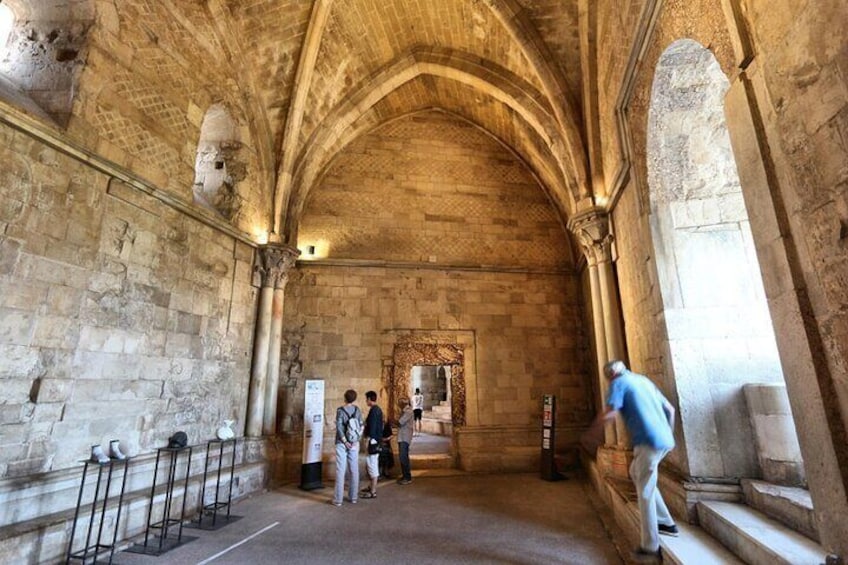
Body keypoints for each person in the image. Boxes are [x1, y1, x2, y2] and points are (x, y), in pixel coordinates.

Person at [582, 360, 678, 561]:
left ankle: (650, 546)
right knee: (637, 472)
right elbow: (670, 409)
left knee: (644, 490)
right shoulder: (641, 380)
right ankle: (665, 521)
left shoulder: (619, 383)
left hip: (648, 441)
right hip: (665, 439)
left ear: (611, 375)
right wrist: (667, 434)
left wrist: (592, 433)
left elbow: (611, 412)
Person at [332, 389, 362, 506]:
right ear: (354, 398)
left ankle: (338, 499)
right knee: (354, 469)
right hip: (354, 442)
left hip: (342, 443)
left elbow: (339, 427)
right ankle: (353, 497)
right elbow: (361, 426)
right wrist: (356, 440)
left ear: (345, 397)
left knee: (340, 470)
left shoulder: (340, 410)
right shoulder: (357, 410)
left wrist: (345, 441)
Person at [360, 390, 383, 499]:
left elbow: (372, 427)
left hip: (373, 441)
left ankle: (373, 491)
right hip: (376, 440)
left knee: (372, 465)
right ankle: (370, 486)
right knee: (372, 463)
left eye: (366, 399)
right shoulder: (377, 409)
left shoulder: (374, 411)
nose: (366, 401)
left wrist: (369, 438)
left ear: (369, 399)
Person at [396, 397, 414, 484]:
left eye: (399, 403)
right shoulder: (404, 411)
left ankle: (407, 477)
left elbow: (400, 422)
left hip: (405, 438)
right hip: (402, 437)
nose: (398, 405)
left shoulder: (408, 411)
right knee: (402, 457)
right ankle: (404, 475)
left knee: (403, 458)